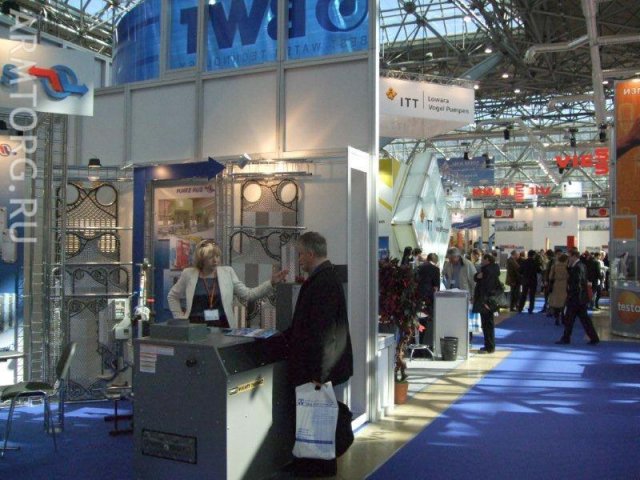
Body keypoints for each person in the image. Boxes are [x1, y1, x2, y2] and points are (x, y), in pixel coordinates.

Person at [284, 232, 353, 477]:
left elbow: (324, 333)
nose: (299, 260)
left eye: (301, 254)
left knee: (318, 422)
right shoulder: (325, 278)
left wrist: (319, 374)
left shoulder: (323, 282)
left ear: (311, 254)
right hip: (320, 368)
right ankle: (313, 465)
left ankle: (315, 468)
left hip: (318, 370)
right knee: (315, 421)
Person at [167, 239, 288, 327]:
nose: (215, 260)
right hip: (194, 328)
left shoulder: (227, 272)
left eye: (217, 256)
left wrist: (271, 283)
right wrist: (180, 318)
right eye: (211, 257)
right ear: (201, 258)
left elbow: (249, 295)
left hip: (222, 326)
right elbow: (172, 296)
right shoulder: (189, 274)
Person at [556, 247, 600, 345]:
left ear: (574, 256)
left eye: (569, 256)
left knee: (570, 319)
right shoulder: (581, 265)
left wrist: (572, 294)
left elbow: (577, 282)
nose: (568, 258)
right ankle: (593, 338)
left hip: (576, 297)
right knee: (583, 319)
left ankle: (566, 338)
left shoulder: (578, 267)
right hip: (580, 298)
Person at [472, 253, 501, 353]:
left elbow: (483, 286)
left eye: (483, 259)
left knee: (486, 324)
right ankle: (490, 345)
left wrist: (484, 301)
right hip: (492, 300)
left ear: (487, 260)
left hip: (485, 301)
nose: (482, 261)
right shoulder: (495, 270)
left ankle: (489, 346)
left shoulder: (486, 271)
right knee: (489, 323)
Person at [415, 253, 440, 349]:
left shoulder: (418, 267)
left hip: (416, 298)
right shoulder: (435, 269)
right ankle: (423, 343)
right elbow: (436, 287)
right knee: (426, 321)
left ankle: (417, 341)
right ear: (436, 261)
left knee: (418, 320)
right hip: (428, 299)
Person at [548, 253, 569, 326]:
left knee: (556, 302)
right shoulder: (567, 266)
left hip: (556, 284)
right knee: (564, 303)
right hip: (565, 285)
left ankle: (557, 317)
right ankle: (563, 317)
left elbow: (550, 276)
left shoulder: (554, 266)